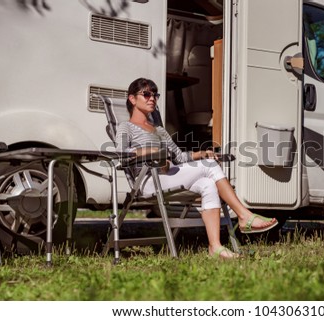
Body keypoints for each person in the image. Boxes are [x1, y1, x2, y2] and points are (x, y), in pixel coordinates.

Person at [116, 78, 278, 259]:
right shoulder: (126, 127)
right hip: (147, 181)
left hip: (166, 175)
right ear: (132, 99)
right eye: (146, 94)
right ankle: (244, 215)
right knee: (209, 168)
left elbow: (178, 157)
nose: (152, 98)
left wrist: (201, 153)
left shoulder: (159, 130)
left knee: (207, 183)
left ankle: (215, 247)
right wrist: (152, 152)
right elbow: (121, 154)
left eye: (155, 95)